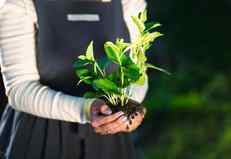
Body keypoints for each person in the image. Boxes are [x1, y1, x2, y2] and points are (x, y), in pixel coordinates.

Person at [0, 0, 148, 158]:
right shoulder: (20, 3)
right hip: (40, 136)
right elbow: (20, 88)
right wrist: (86, 109)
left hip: (110, 139)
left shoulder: (129, 2)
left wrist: (128, 109)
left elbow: (137, 74)